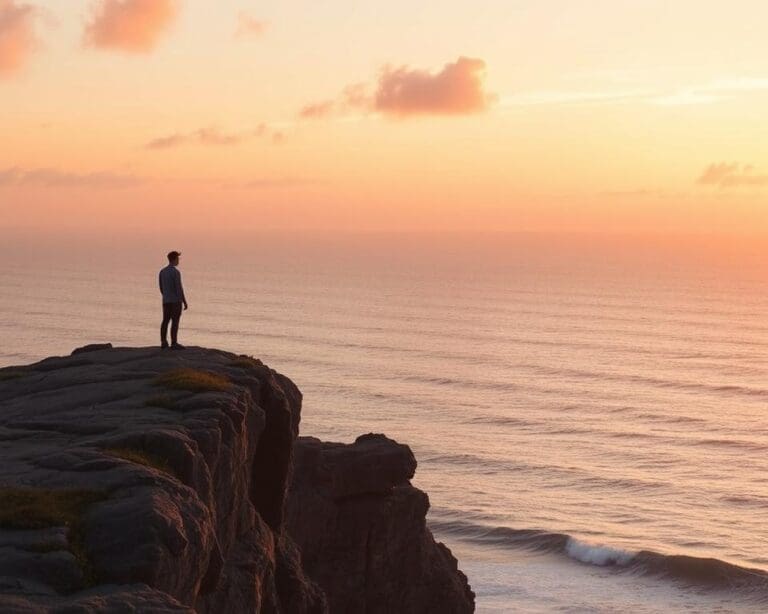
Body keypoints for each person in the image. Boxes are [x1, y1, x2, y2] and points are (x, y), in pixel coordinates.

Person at [159, 251, 188, 349]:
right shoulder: (175, 272)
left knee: (165, 321)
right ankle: (174, 343)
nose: (178, 261)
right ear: (174, 259)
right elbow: (179, 288)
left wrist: (166, 295)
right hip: (175, 301)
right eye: (178, 259)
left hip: (166, 300)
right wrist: (184, 301)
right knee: (175, 322)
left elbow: (161, 287)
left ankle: (163, 342)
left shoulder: (162, 272)